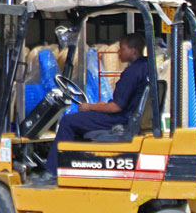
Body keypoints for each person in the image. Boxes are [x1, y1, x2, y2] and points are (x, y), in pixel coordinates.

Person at [42, 33, 151, 180]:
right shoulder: (147, 67)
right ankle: (75, 164)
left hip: (120, 119)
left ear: (133, 50)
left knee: (69, 121)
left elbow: (116, 107)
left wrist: (90, 107)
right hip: (129, 116)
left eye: (122, 48)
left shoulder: (132, 72)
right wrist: (98, 105)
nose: (119, 52)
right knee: (79, 120)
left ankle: (52, 171)